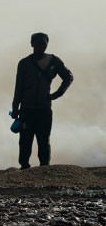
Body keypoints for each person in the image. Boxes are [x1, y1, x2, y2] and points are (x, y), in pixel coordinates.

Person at [11, 32, 73, 169]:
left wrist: (57, 94)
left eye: (43, 43)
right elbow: (18, 87)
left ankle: (44, 169)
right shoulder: (24, 63)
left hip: (44, 109)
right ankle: (24, 167)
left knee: (43, 141)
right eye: (38, 43)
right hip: (27, 109)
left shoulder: (54, 61)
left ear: (47, 44)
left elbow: (68, 77)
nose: (41, 46)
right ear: (32, 44)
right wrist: (15, 108)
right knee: (25, 141)